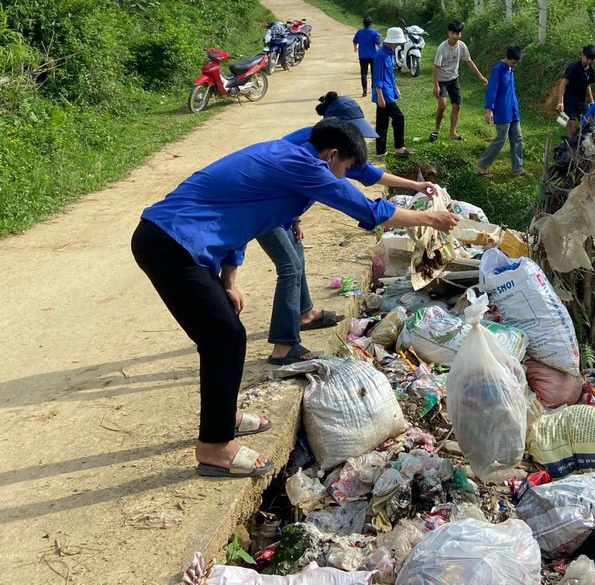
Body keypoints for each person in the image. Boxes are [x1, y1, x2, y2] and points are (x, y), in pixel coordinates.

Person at [132, 119, 459, 479]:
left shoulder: (293, 153)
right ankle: (214, 447)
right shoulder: (303, 166)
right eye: (347, 168)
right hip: (171, 243)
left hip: (182, 242)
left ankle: (223, 417)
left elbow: (247, 219)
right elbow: (366, 209)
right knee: (224, 338)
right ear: (332, 155)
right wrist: (430, 218)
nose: (345, 175)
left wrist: (229, 280)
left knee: (224, 332)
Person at [260, 93, 438, 366]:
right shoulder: (313, 153)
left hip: (279, 208)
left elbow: (368, 174)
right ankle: (283, 348)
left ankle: (305, 313)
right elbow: (366, 209)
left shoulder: (329, 145)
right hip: (264, 210)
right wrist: (429, 219)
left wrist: (414, 185)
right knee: (290, 267)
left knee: (297, 253)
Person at [430, 21, 488, 143]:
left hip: (453, 79)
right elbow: (436, 67)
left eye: (458, 33)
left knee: (457, 106)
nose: (456, 36)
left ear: (460, 34)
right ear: (449, 33)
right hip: (441, 80)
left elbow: (469, 61)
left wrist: (480, 76)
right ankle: (436, 130)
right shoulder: (442, 48)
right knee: (442, 105)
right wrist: (436, 85)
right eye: (453, 33)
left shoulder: (462, 46)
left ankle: (453, 133)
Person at [476, 45, 525, 177]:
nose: (515, 65)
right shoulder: (499, 69)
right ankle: (482, 165)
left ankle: (518, 168)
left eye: (517, 63)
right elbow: (492, 90)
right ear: (507, 58)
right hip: (502, 110)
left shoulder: (511, 69)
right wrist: (489, 109)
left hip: (513, 110)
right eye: (514, 62)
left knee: (517, 137)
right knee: (501, 139)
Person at [373, 26, 414, 158]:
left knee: (382, 121)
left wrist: (396, 87)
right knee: (398, 117)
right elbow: (377, 78)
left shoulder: (390, 53)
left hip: (389, 89)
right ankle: (399, 147)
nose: (399, 44)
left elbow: (390, 74)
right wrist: (380, 96)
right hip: (384, 93)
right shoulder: (381, 55)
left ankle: (381, 151)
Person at [556, 45, 595, 135]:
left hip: (581, 103)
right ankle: (571, 141)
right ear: (583, 56)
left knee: (589, 124)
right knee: (572, 129)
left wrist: (592, 102)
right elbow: (563, 82)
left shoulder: (591, 70)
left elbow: (587, 86)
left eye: (592, 59)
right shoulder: (574, 67)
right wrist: (560, 102)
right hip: (568, 103)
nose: (589, 61)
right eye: (587, 58)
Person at [353, 17, 381, 96]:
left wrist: (355, 48)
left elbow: (355, 41)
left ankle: (364, 89)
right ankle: (373, 89)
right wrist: (382, 51)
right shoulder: (374, 33)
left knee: (363, 73)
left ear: (363, 24)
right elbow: (378, 44)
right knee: (373, 73)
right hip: (373, 56)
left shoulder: (359, 32)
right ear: (371, 24)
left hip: (362, 56)